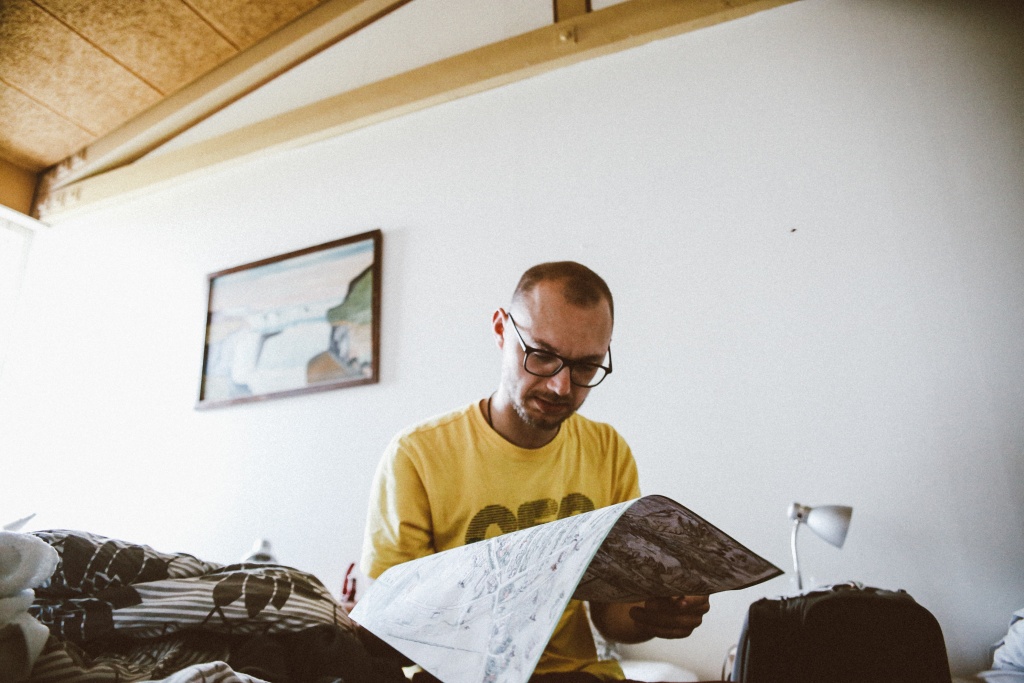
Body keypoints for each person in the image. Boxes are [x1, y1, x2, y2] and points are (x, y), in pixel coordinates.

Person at [360, 261, 710, 681]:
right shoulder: (417, 455)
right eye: (542, 356)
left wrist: (656, 614)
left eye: (586, 366)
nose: (561, 386)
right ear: (500, 330)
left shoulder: (607, 450)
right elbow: (388, 631)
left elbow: (611, 618)